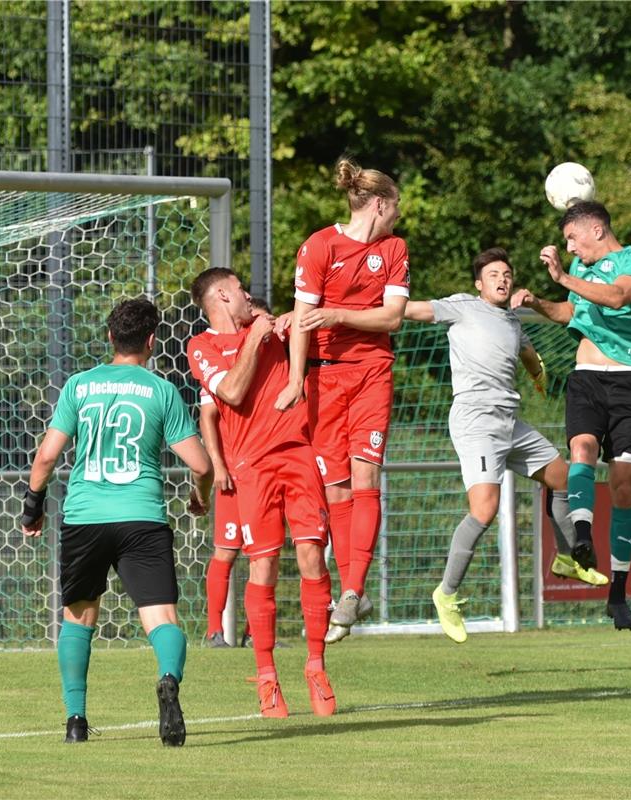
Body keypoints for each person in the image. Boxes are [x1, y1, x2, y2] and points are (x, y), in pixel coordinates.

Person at [20, 298, 213, 745]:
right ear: (151, 341)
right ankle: (167, 678)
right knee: (161, 617)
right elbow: (201, 466)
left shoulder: (79, 386)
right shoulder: (161, 390)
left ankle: (75, 721)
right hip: (142, 517)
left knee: (78, 617)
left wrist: (33, 506)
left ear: (110, 337)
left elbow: (47, 456)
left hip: (85, 518)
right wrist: (198, 497)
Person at [405, 247, 608, 644]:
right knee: (484, 510)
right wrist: (378, 300)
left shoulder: (513, 322)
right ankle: (446, 594)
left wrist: (539, 373)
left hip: (509, 421)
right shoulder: (462, 306)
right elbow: (411, 310)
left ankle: (566, 557)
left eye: (507, 274)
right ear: (479, 283)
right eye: (494, 274)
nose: (503, 279)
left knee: (564, 477)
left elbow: (530, 356)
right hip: (476, 420)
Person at [187, 268, 335, 717]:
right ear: (224, 295)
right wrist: (255, 335)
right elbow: (229, 393)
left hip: (298, 453)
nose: (250, 296)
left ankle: (316, 666)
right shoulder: (202, 346)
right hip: (252, 468)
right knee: (263, 566)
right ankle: (267, 677)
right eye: (241, 290)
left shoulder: (270, 328)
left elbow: (312, 321)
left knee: (312, 555)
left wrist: (294, 319)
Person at [275, 157, 410, 644]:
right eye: (395, 207)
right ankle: (353, 593)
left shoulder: (394, 249)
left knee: (366, 474)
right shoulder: (318, 246)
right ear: (378, 203)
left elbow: (392, 318)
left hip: (373, 373)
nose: (398, 216)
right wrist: (294, 380)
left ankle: (351, 591)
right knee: (336, 491)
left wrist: (340, 315)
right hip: (323, 380)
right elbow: (302, 321)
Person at [511, 201, 631, 631]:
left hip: (630, 382)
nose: (570, 247)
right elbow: (570, 313)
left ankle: (618, 594)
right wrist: (539, 301)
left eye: (573, 238)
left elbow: (619, 296)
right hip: (587, 378)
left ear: (595, 229)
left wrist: (561, 276)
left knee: (624, 484)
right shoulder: (580, 272)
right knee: (581, 448)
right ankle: (580, 540)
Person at [199, 297, 273, 649]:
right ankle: (215, 630)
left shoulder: (265, 359)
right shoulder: (220, 356)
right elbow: (208, 415)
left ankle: (253, 631)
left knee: (265, 555)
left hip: (265, 471)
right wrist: (218, 464)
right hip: (234, 472)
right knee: (226, 550)